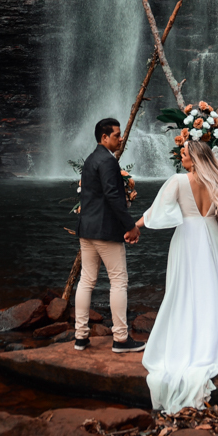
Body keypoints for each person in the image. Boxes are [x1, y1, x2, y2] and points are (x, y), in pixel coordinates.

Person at [132, 139, 218, 412]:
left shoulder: (178, 181)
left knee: (185, 291)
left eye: (184, 153)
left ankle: (190, 340)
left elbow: (156, 211)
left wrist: (134, 226)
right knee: (215, 289)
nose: (180, 157)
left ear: (194, 159)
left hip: (187, 238)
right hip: (212, 238)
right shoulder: (217, 182)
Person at [74, 117, 147, 354]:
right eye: (117, 135)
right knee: (118, 281)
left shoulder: (91, 159)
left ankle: (80, 336)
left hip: (87, 229)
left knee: (87, 280)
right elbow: (113, 196)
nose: (121, 138)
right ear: (104, 137)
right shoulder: (107, 161)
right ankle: (121, 339)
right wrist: (130, 225)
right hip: (105, 231)